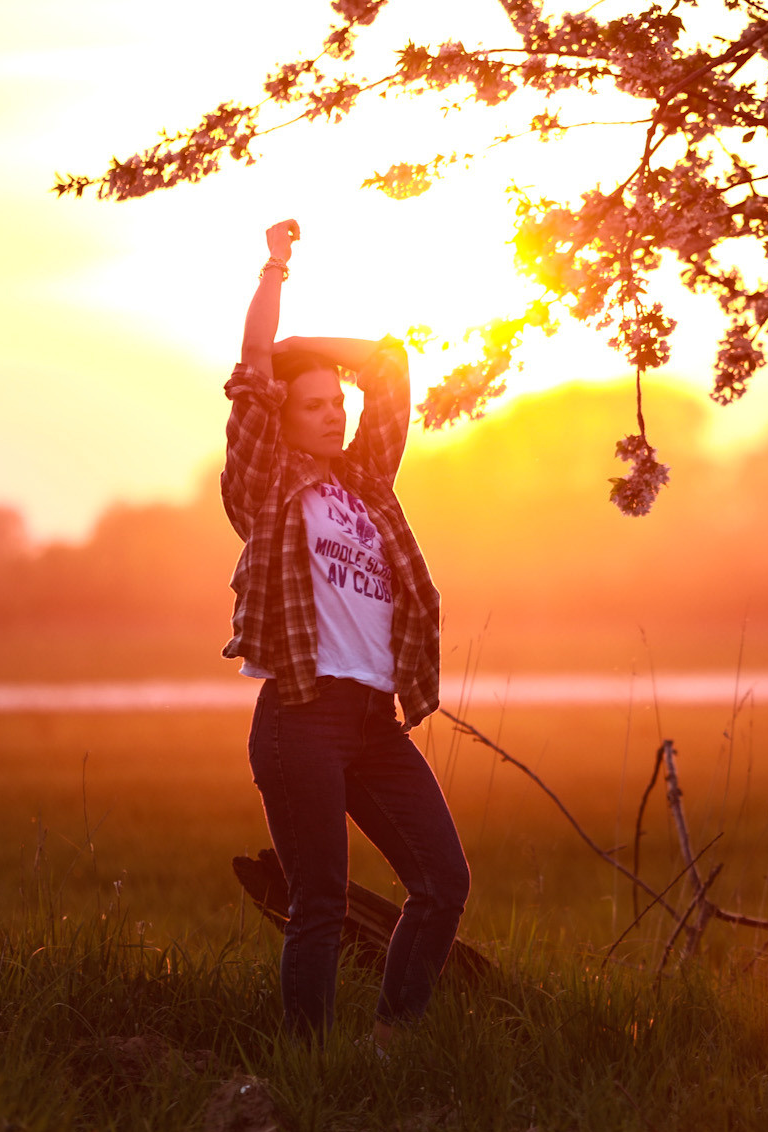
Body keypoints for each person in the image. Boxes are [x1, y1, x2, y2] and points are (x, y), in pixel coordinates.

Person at [221, 217, 469, 1043]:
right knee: (319, 902)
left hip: (370, 722)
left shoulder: (368, 485)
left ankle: (392, 1040)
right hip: (301, 718)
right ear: (284, 422)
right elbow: (254, 374)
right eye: (314, 407)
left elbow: (392, 369)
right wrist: (275, 273)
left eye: (337, 405)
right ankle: (309, 1064)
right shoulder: (266, 482)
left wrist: (320, 352)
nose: (332, 418)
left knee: (443, 882)